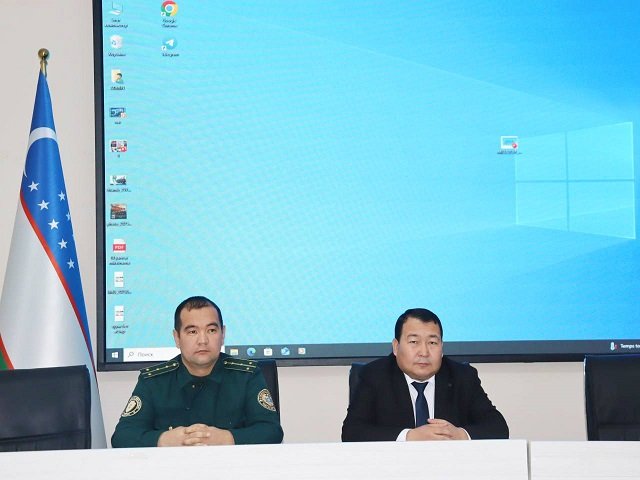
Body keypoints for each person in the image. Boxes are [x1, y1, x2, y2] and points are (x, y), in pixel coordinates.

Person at [111, 296, 284, 447]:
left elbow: (271, 431)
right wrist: (164, 439)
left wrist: (226, 438)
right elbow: (122, 436)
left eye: (211, 330)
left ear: (223, 334)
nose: (203, 340)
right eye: (192, 331)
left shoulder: (246, 375)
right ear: (177, 338)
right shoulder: (154, 381)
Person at [342, 308, 508, 441]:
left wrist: (460, 435)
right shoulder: (374, 375)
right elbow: (352, 432)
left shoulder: (462, 376)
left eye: (432, 342)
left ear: (442, 347)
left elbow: (498, 427)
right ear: (396, 347)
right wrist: (409, 436)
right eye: (414, 342)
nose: (424, 352)